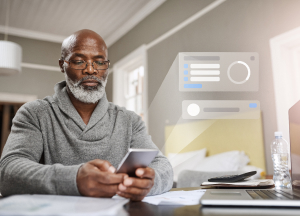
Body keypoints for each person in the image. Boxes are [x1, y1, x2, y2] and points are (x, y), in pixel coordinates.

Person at [0, 29, 173, 201]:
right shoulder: (35, 113)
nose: (90, 70)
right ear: (62, 65)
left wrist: (151, 182)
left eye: (99, 62)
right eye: (79, 61)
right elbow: (8, 171)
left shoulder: (130, 120)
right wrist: (73, 179)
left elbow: (163, 167)